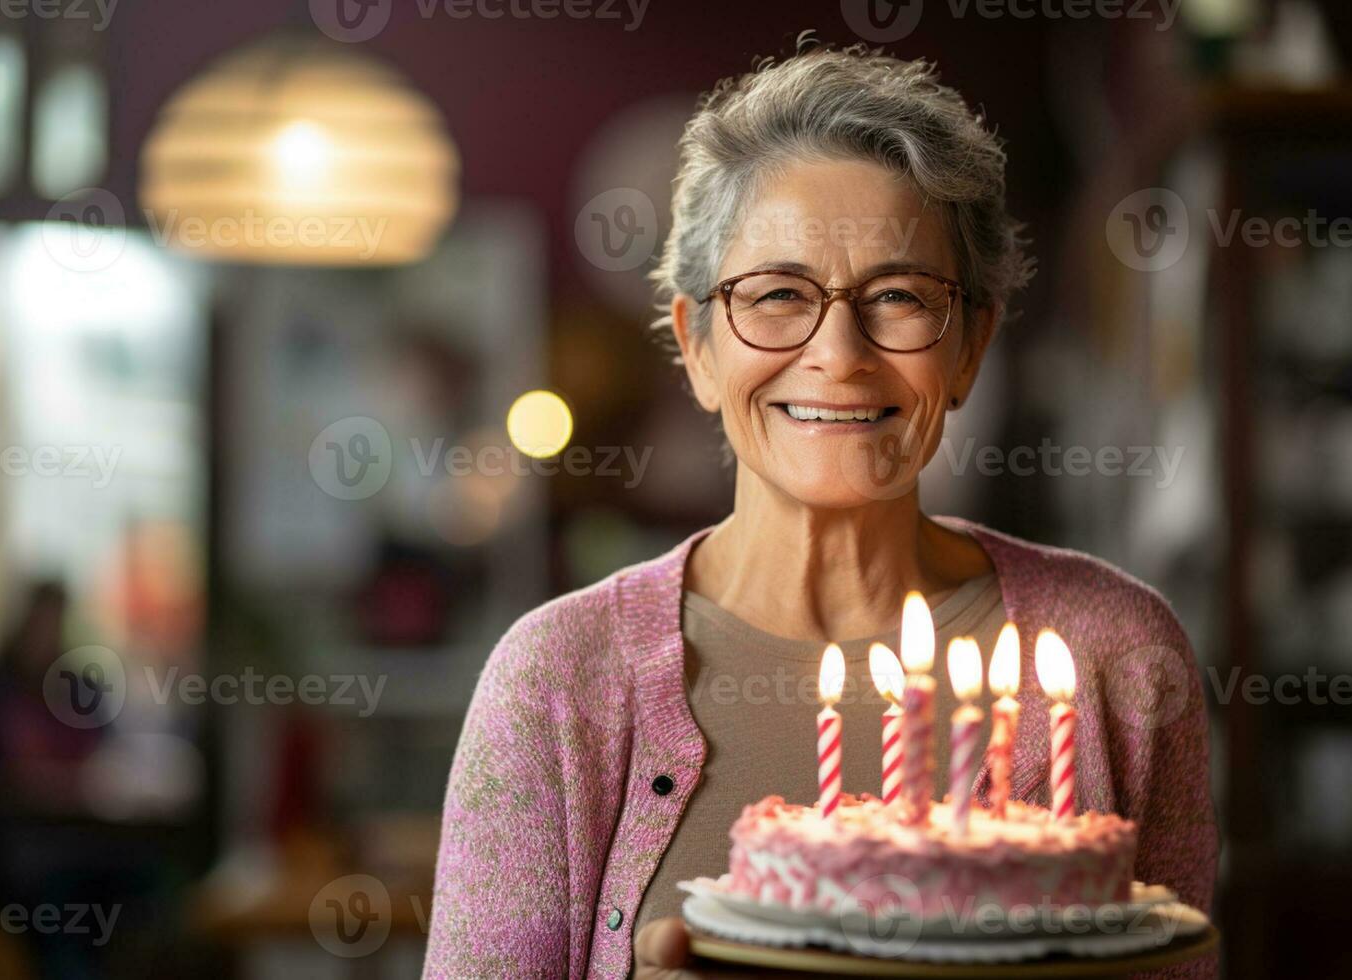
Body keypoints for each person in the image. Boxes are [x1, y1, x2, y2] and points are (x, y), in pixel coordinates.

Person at [424, 40, 1217, 980]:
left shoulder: (1119, 659)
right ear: (700, 347)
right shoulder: (555, 684)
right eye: (776, 296)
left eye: (899, 297)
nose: (838, 353)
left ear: (968, 349)